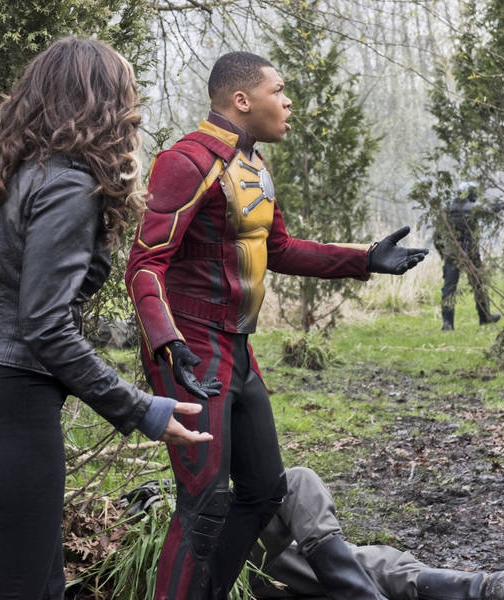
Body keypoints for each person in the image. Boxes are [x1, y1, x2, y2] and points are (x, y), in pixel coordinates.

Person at [124, 51, 428, 600]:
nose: (288, 103)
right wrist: (167, 342)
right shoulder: (186, 161)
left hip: (237, 349)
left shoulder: (253, 165)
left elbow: (279, 248)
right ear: (242, 100)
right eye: (279, 91)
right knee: (203, 501)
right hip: (191, 350)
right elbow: (145, 263)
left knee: (264, 491)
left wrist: (364, 258)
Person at [0, 37, 212, 599]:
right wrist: (143, 409)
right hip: (12, 414)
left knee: (31, 583)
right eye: (126, 96)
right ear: (102, 104)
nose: (132, 111)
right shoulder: (70, 184)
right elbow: (45, 325)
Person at [250, 466, 504, 600]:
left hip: (238, 551)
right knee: (297, 484)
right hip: (223, 566)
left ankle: (484, 588)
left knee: (355, 560)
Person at [433, 182, 501, 330]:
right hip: (471, 253)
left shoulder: (447, 209)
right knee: (478, 285)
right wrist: (502, 204)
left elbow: (437, 236)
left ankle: (447, 323)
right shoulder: (473, 208)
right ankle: (485, 317)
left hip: (452, 254)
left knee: (449, 288)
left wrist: (443, 253)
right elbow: (490, 210)